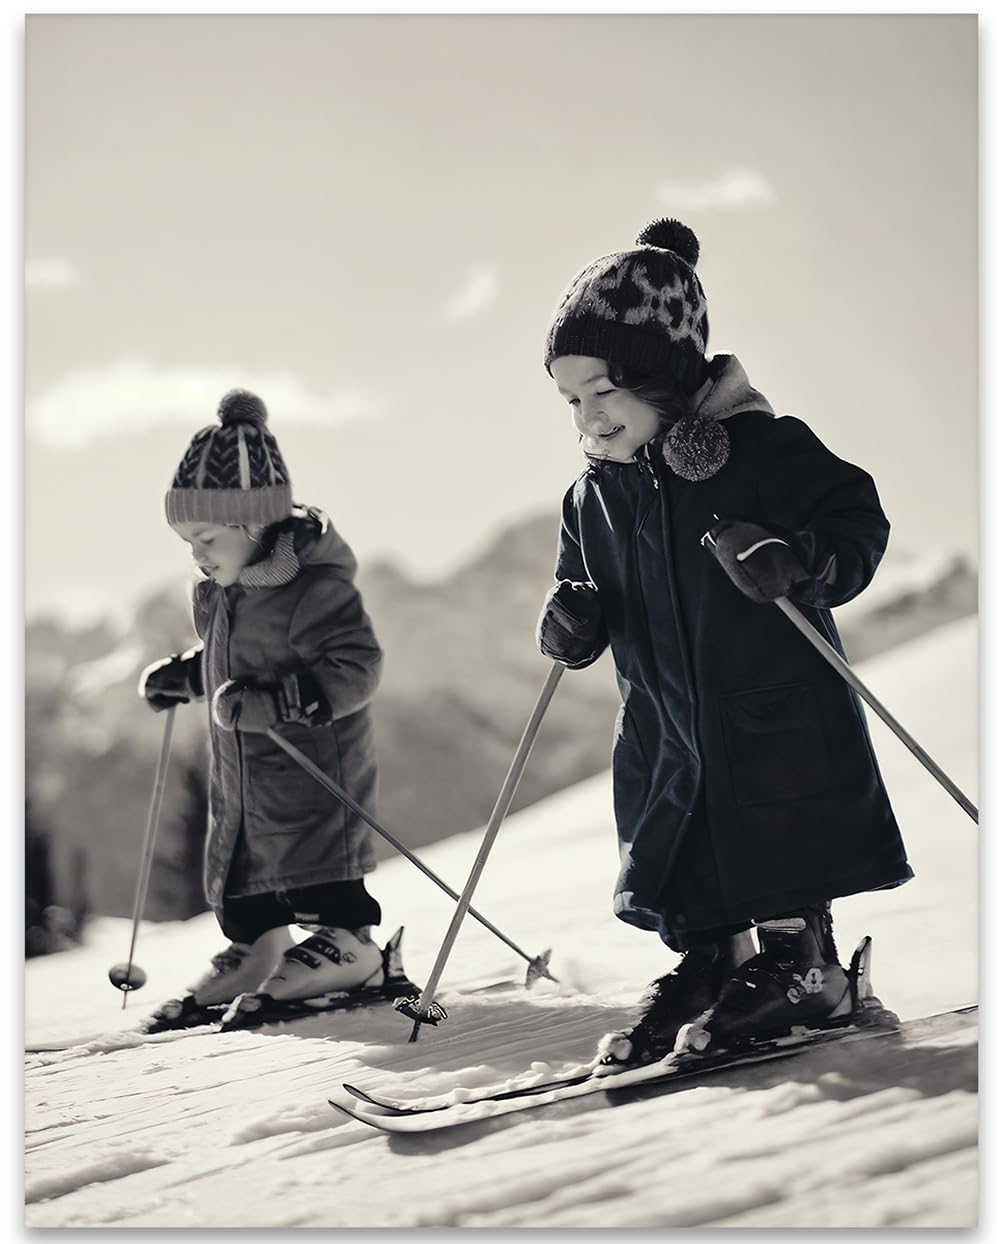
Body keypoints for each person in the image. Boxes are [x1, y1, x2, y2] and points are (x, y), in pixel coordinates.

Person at [536, 217, 912, 1068]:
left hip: (768, 707)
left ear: (665, 375)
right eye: (571, 400)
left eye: (604, 390)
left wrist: (800, 560)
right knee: (685, 847)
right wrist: (571, 621)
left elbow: (856, 517)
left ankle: (806, 967)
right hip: (663, 721)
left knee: (776, 834)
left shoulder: (761, 451)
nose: (589, 417)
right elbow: (578, 585)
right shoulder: (592, 497)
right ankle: (712, 961)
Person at [137, 389, 392, 1027]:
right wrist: (188, 675)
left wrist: (282, 703)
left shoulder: (312, 588)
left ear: (254, 525)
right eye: (187, 541)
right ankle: (259, 947)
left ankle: (352, 944)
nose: (197, 554)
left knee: (315, 859)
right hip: (243, 772)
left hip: (310, 764)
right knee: (242, 870)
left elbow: (357, 665)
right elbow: (235, 661)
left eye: (206, 538)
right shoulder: (223, 591)